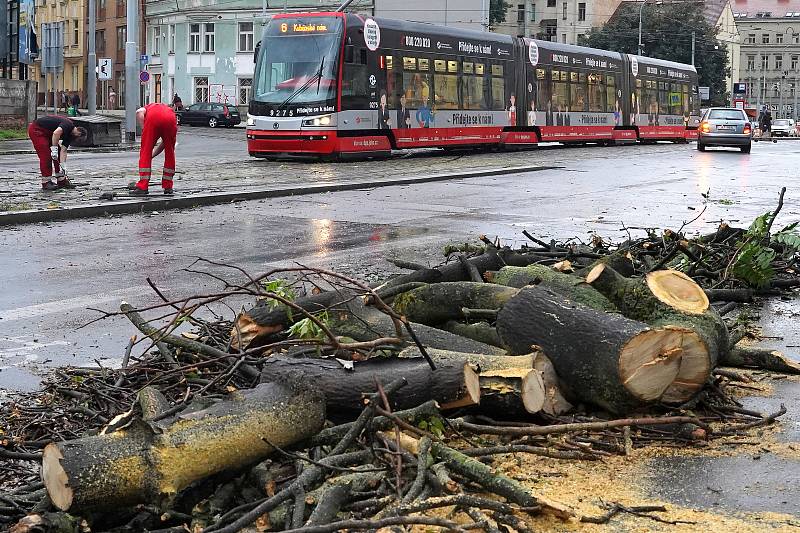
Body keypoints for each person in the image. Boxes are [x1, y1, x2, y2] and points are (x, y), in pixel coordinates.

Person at [27, 115, 87, 190]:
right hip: (37, 130)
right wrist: (54, 149)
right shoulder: (68, 124)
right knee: (46, 156)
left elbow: (63, 151)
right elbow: (56, 133)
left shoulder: (70, 136)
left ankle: (61, 180)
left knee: (57, 154)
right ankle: (46, 182)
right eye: (78, 140)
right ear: (79, 134)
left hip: (48, 134)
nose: (76, 141)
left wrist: (63, 165)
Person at [130, 103, 178, 196]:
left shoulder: (148, 107)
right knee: (170, 152)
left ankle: (143, 186)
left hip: (153, 119)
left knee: (145, 151)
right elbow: (164, 144)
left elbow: (139, 113)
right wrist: (153, 155)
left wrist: (144, 129)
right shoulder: (169, 111)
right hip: (171, 120)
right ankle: (168, 186)